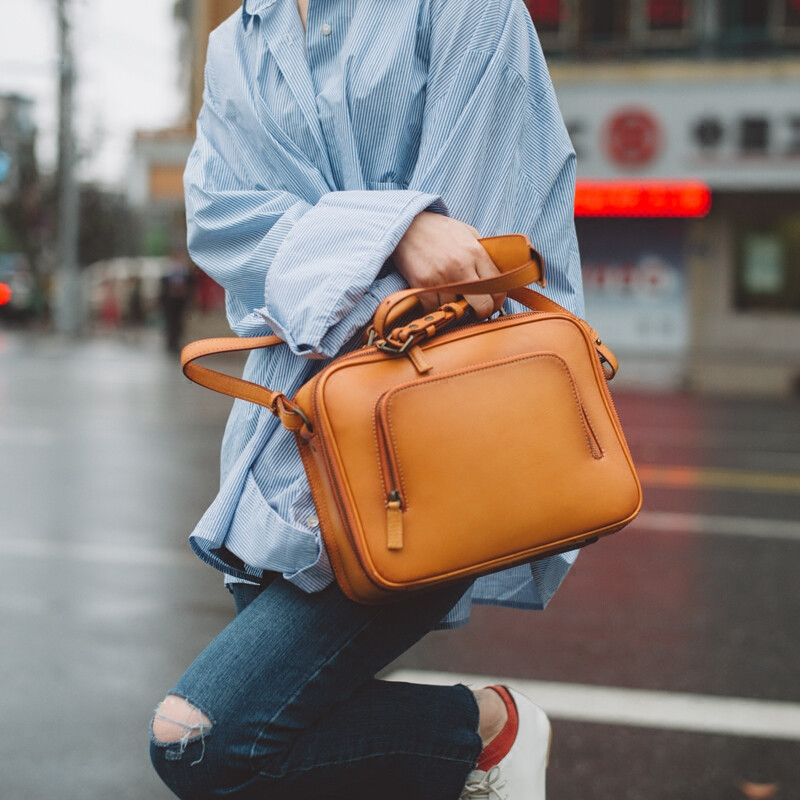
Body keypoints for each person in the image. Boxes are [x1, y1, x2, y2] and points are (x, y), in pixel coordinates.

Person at [150, 1, 583, 798]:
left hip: (434, 452)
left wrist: (352, 244)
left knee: (203, 742)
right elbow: (221, 220)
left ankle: (487, 735)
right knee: (282, 759)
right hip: (279, 460)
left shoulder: (463, 9)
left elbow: (473, 260)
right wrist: (394, 229)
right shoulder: (235, 42)